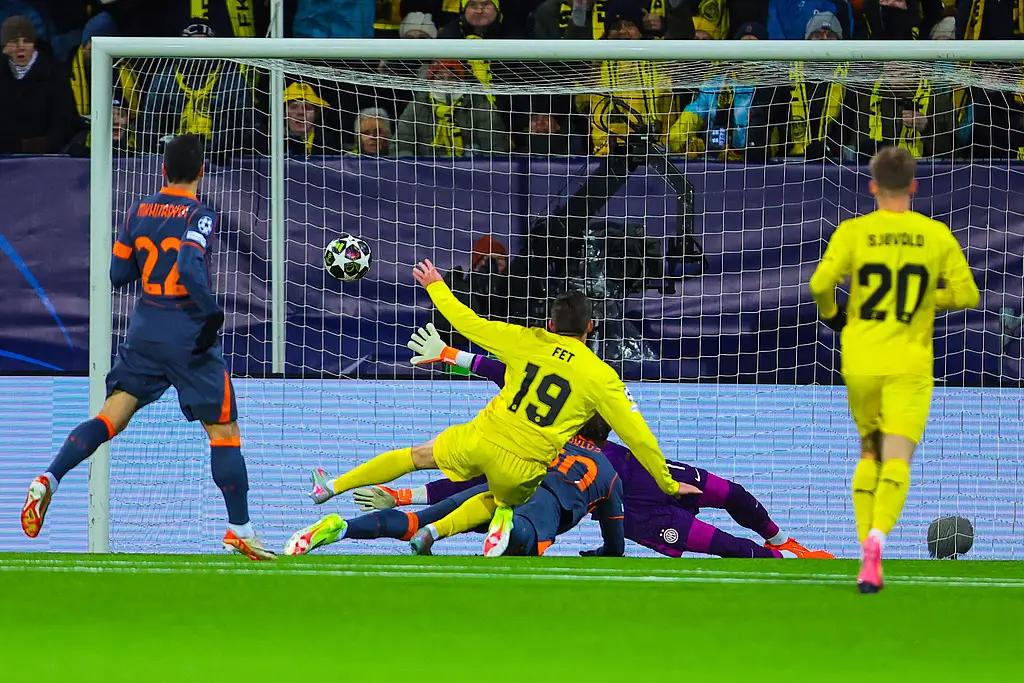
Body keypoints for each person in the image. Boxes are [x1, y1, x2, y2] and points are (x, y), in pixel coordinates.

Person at [308, 261, 689, 557]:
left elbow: (468, 323)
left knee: (415, 456)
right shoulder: (602, 377)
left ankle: (332, 487)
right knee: (500, 499)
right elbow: (638, 437)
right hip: (523, 463)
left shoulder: (527, 339)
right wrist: (668, 484)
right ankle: (489, 523)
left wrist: (436, 285)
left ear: (549, 323)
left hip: (483, 437)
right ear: (591, 326)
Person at [358, 325, 833, 560]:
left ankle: (787, 542)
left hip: (650, 473)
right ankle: (779, 558)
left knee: (733, 494)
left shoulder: (587, 389)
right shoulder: (542, 441)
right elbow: (472, 475)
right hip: (640, 513)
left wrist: (450, 353)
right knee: (729, 548)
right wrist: (403, 493)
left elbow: (499, 371)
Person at [19, 134, 274, 561]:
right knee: (224, 432)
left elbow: (118, 273)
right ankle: (240, 530)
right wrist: (211, 313)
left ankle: (50, 477)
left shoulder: (138, 210)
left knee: (110, 416)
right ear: (201, 172)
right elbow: (189, 265)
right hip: (188, 333)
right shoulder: (199, 213)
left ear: (162, 170)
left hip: (145, 330)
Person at [808, 147, 979, 592]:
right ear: (913, 186)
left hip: (862, 358)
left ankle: (865, 546)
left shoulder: (854, 231)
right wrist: (925, 301)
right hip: (908, 363)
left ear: (873, 186)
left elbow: (820, 283)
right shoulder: (935, 234)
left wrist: (833, 316)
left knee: (870, 452)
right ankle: (877, 542)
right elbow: (967, 295)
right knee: (898, 458)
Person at [285, 414, 625, 557]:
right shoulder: (608, 474)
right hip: (544, 503)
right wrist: (603, 552)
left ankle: (342, 527)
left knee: (413, 520)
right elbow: (615, 544)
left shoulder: (548, 440)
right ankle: (506, 522)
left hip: (501, 482)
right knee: (522, 539)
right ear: (607, 435)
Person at [141, 21, 255, 157]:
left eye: (205, 45)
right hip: (173, 157)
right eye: (193, 45)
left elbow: (248, 125)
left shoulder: (231, 78)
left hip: (222, 158)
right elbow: (149, 125)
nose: (199, 51)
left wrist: (227, 144)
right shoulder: (164, 79)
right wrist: (162, 146)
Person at [395, 59, 510, 157]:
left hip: (471, 170)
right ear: (432, 81)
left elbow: (495, 148)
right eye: (440, 78)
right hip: (425, 171)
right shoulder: (418, 105)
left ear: (460, 80)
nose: (446, 83)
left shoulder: (479, 105)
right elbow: (402, 145)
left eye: (451, 78)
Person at [0, 14, 77, 154]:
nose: (21, 47)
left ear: (34, 44)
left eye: (26, 41)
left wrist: (39, 146)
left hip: (46, 157)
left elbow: (64, 122)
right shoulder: (3, 72)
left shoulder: (55, 75)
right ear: (5, 46)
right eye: (14, 41)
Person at [282, 82, 336, 156]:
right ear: (284, 113)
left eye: (307, 108)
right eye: (294, 107)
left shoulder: (330, 144)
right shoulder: (270, 141)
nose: (301, 112)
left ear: (316, 114)